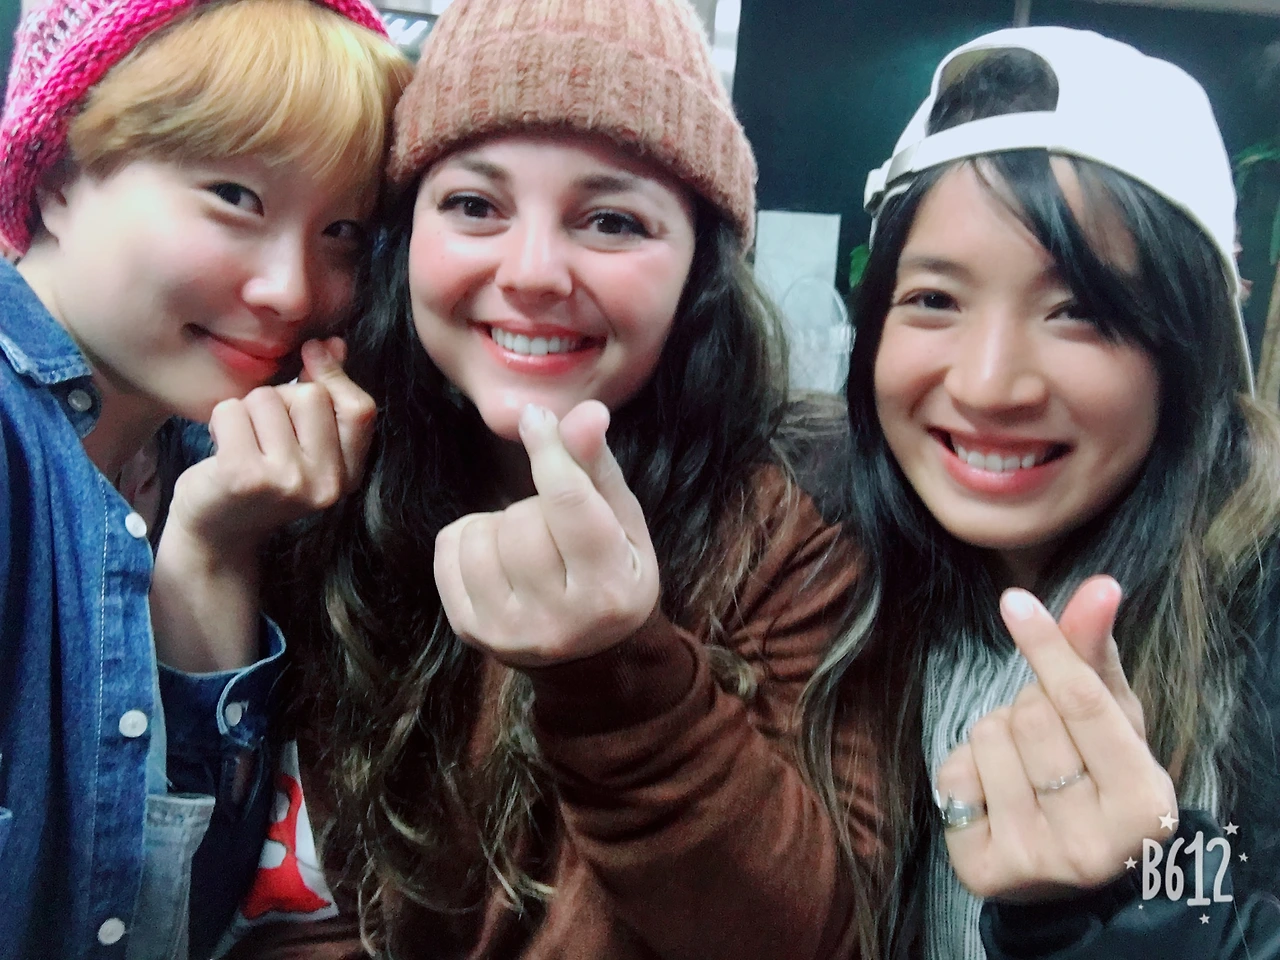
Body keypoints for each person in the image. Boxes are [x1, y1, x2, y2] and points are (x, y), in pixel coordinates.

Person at [224, 0, 902, 957]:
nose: (535, 272)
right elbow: (296, 906)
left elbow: (821, 935)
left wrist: (617, 674)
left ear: (700, 268)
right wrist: (212, 550)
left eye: (612, 220)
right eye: (474, 206)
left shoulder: (800, 532)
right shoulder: (327, 492)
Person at [816, 25, 1280, 959]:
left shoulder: (1258, 616)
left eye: (1080, 311)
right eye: (934, 300)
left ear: (1188, 354)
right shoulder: (826, 574)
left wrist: (1138, 902)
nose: (989, 385)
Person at [0, 1, 410, 957]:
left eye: (342, 231)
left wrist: (212, 551)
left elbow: (173, 917)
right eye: (235, 196)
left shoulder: (198, 459)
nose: (293, 292)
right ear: (58, 176)